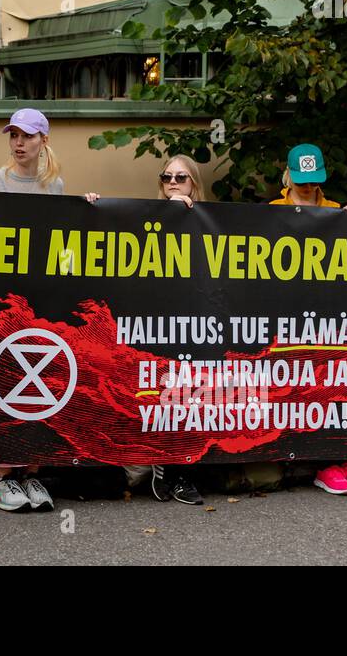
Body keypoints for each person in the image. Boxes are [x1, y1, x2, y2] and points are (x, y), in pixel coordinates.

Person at [0, 108, 98, 512]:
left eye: (27, 136)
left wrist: (88, 208)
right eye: (14, 135)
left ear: (43, 141)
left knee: (41, 385)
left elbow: (66, 246)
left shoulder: (57, 187)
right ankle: (0, 475)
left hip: (42, 305)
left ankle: (30, 471)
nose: (19, 144)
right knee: (5, 381)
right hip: (1, 304)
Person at [269, 144, 347, 497]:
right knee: (302, 388)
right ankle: (318, 462)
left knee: (337, 384)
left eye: (313, 181)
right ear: (288, 174)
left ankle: (340, 461)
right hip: (288, 316)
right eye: (301, 180)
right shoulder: (272, 212)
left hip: (329, 315)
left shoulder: (335, 212)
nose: (307, 187)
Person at [124, 155, 206, 505]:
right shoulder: (144, 220)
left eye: (181, 177)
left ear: (194, 185)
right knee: (158, 397)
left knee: (192, 398)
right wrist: (92, 208)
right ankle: (157, 467)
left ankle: (177, 472)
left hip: (197, 328)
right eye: (166, 176)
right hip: (154, 327)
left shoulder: (212, 222)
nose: (173, 181)